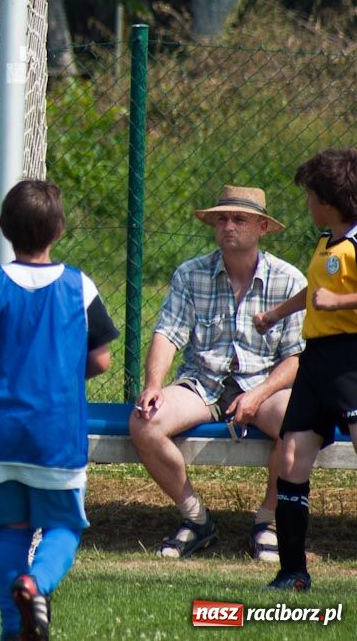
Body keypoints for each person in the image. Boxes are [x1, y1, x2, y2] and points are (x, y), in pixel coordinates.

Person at [0, 179, 119, 641]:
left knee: (11, 532)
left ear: (4, 228)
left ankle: (13, 631)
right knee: (63, 527)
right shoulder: (79, 286)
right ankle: (36, 584)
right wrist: (61, 375)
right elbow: (101, 359)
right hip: (55, 434)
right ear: (59, 230)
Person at [129, 185, 306, 562]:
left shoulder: (289, 280)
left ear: (262, 227)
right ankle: (195, 518)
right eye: (221, 219)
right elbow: (167, 334)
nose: (228, 226)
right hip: (202, 384)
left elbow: (296, 358)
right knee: (144, 421)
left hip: (264, 386)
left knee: (300, 424)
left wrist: (258, 395)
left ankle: (268, 521)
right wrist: (153, 385)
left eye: (239, 219)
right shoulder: (190, 273)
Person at [253, 148, 357, 591]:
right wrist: (276, 314)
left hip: (351, 362)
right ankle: (292, 571)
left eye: (311, 195)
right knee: (292, 458)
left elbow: (330, 297)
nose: (307, 203)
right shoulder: (325, 242)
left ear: (329, 200)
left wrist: (339, 302)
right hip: (315, 363)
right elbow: (315, 290)